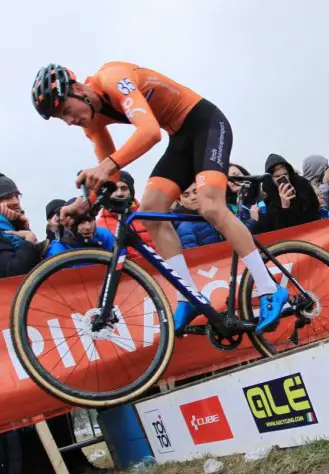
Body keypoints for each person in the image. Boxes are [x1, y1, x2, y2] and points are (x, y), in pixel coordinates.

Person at [32, 62, 289, 333]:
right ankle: (188, 296)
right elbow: (112, 177)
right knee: (151, 210)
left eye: (66, 111)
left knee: (211, 205)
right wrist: (85, 203)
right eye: (62, 119)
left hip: (206, 124)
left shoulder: (112, 79)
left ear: (77, 90)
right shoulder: (91, 123)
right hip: (179, 139)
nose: (69, 121)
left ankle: (269, 288)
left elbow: (149, 133)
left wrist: (106, 168)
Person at [94, 170, 155, 259]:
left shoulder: (149, 216)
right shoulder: (99, 227)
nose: (119, 194)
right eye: (113, 189)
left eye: (124, 188)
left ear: (131, 191)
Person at [254, 154, 321, 232]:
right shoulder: (268, 192)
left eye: (285, 174)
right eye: (277, 176)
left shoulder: (302, 185)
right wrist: (285, 207)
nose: (282, 179)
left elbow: (314, 212)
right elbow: (274, 227)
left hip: (309, 233)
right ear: (270, 177)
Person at [44, 200, 116, 257]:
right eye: (81, 222)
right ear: (68, 225)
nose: (88, 227)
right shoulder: (57, 252)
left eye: (90, 220)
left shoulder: (105, 236)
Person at [172, 183, 223, 249]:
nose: (193, 197)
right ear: (180, 201)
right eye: (186, 195)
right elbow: (194, 255)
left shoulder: (214, 212)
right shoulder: (185, 227)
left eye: (196, 192)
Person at [226, 164, 264, 233]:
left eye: (236, 175)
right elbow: (236, 236)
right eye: (229, 178)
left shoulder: (262, 198)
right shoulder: (228, 208)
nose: (232, 180)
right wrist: (253, 220)